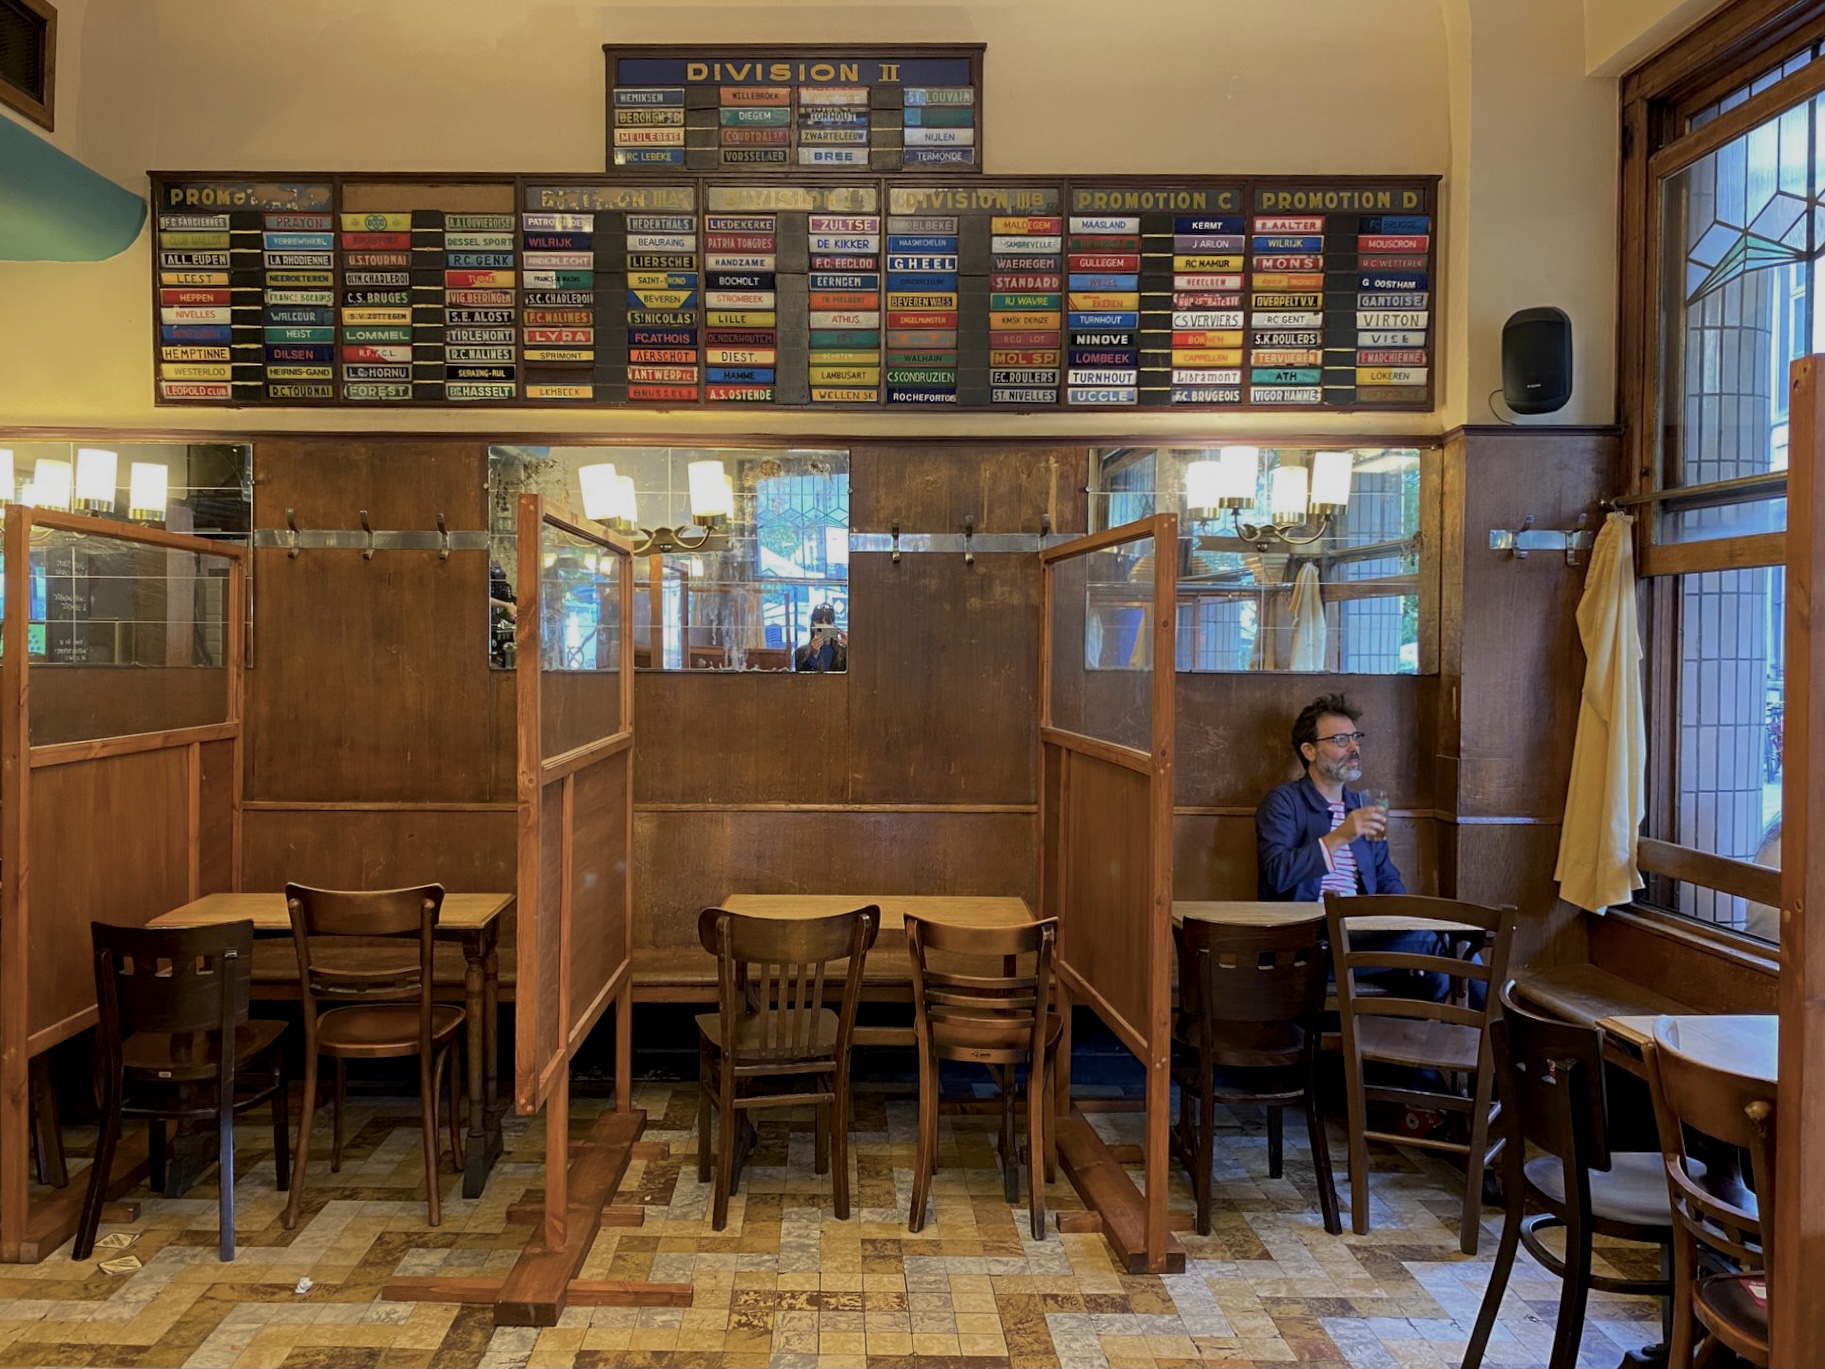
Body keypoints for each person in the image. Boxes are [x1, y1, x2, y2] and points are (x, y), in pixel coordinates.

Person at [1256, 693, 1450, 1001]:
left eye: (1355, 738)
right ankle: (1497, 1038)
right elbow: (1278, 874)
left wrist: (1404, 918)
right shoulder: (1283, 802)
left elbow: (1387, 879)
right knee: (1436, 950)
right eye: (1340, 739)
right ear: (1309, 750)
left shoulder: (1363, 805)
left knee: (1437, 967)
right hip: (1309, 939)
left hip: (1362, 935)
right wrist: (1340, 836)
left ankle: (1402, 1043)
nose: (1354, 748)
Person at [793, 603, 847, 673]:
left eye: (829, 622)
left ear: (834, 625)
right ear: (813, 625)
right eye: (820, 622)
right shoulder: (800, 652)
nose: (824, 626)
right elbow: (801, 680)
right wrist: (813, 656)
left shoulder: (843, 652)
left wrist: (850, 649)